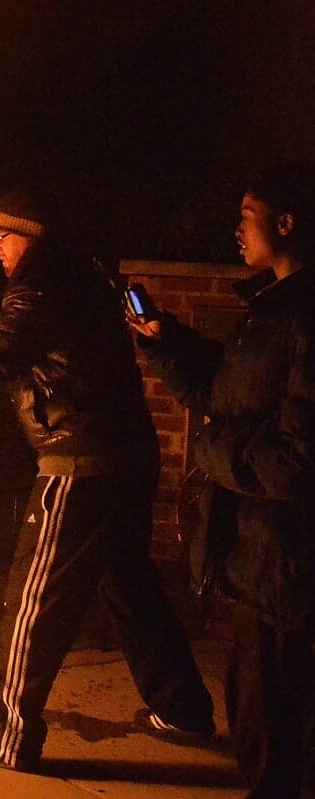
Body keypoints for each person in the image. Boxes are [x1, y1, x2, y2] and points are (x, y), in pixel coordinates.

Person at [0, 187, 214, 771]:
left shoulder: (39, 289)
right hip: (125, 457)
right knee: (128, 585)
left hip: (79, 461)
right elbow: (18, 342)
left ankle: (8, 733)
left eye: (4, 235)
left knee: (35, 595)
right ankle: (182, 710)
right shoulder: (77, 279)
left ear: (33, 236)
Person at [128, 163, 315, 798]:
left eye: (246, 214)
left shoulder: (305, 320)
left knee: (275, 730)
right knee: (259, 717)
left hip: (290, 563)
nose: (236, 228)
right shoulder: (272, 311)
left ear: (285, 223)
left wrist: (209, 448)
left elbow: (297, 455)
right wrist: (164, 341)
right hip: (265, 560)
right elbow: (223, 389)